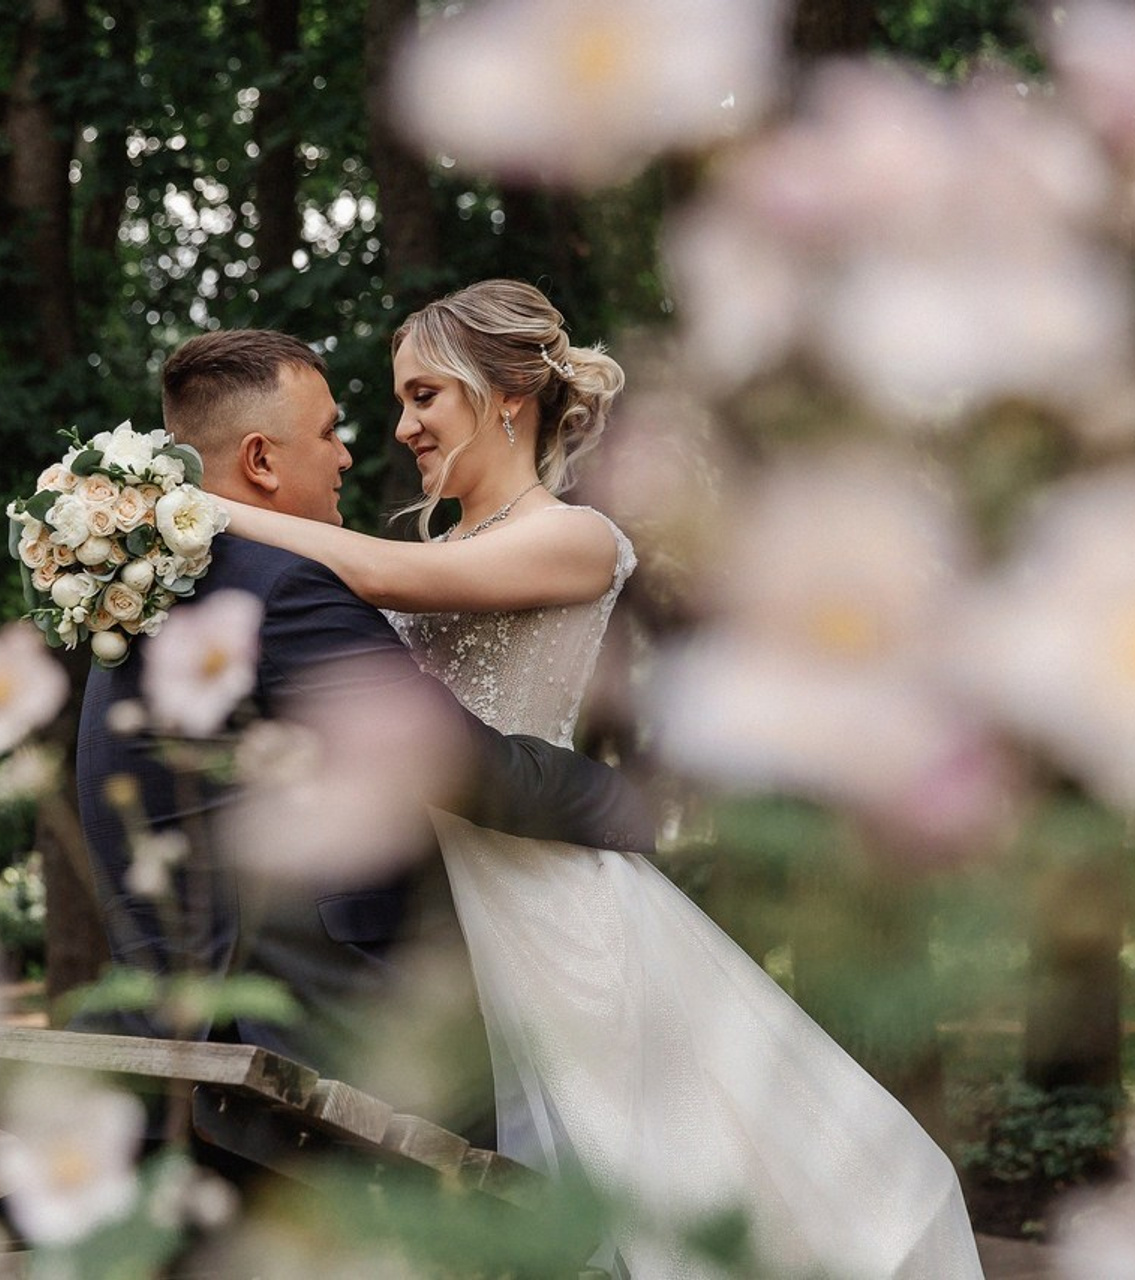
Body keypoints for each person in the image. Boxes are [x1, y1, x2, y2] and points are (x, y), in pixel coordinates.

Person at [217, 280, 987, 1279]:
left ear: (504, 396)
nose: (401, 425)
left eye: (422, 396)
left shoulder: (574, 536)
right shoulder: (436, 543)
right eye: (399, 400)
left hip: (541, 893)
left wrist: (199, 510)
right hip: (442, 891)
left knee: (640, 1184)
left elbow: (381, 577)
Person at [74, 328, 656, 1143]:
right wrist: (628, 805)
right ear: (261, 461)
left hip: (208, 1043)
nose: (351, 456)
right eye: (327, 433)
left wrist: (190, 505)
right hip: (319, 1048)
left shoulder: (144, 597)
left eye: (422, 397)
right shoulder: (281, 589)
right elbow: (457, 764)